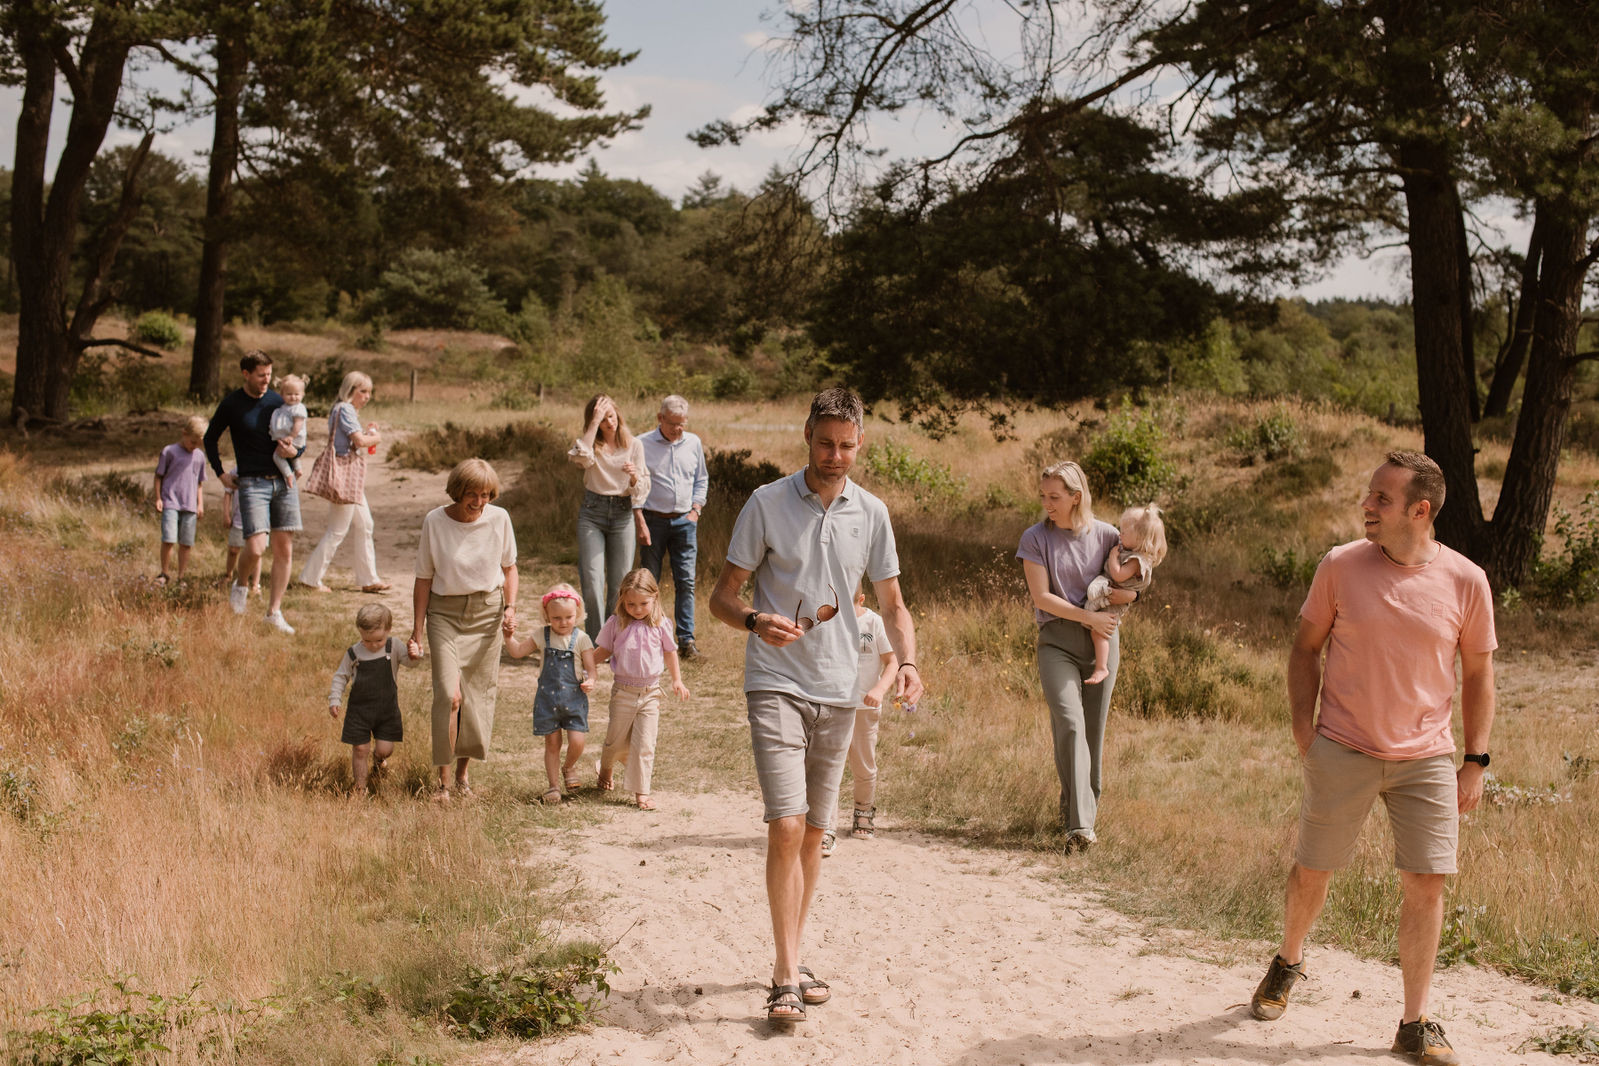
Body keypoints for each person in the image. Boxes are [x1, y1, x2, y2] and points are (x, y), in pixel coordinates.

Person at [1248, 451, 1496, 1066]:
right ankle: (1289, 959)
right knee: (1314, 870)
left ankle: (1414, 1023)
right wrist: (1305, 731)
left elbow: (1478, 673)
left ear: (1420, 510)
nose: (1367, 505)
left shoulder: (1467, 581)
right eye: (1369, 494)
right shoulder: (1340, 566)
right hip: (1343, 746)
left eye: (1382, 498)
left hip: (1428, 757)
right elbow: (1305, 648)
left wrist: (1476, 760)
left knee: (1427, 883)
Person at [709, 387, 922, 1027]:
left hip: (840, 688)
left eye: (846, 446)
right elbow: (722, 597)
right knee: (785, 823)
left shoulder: (872, 513)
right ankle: (784, 976)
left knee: (813, 834)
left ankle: (794, 959)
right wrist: (753, 620)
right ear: (807, 436)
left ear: (860, 444)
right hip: (775, 679)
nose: (835, 456)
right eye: (825, 443)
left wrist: (908, 662)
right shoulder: (765, 503)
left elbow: (893, 604)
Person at [1015, 460, 1135, 850]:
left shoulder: (1108, 536)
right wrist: (1088, 616)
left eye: (1055, 497)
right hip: (1057, 642)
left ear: (1076, 497)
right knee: (1069, 723)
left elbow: (1135, 584)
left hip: (1103, 644)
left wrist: (1122, 599)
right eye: (1043, 496)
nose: (1046, 504)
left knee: (1092, 735)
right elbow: (1041, 597)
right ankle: (1080, 828)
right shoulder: (1035, 539)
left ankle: (1077, 816)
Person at [410, 459, 519, 800]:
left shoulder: (499, 519)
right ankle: (442, 783)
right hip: (444, 614)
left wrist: (510, 607)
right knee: (449, 695)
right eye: (472, 494)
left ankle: (462, 777)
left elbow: (510, 568)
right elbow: (423, 579)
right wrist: (416, 631)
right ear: (457, 492)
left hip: (486, 615)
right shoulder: (435, 521)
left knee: (475, 698)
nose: (479, 502)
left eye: (486, 495)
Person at [204, 350, 304, 634]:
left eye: (269, 375)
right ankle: (241, 584)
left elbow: (299, 436)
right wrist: (221, 474)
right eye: (261, 375)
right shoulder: (232, 404)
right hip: (251, 483)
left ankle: (274, 612)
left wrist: (296, 452)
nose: (266, 380)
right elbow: (210, 438)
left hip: (284, 482)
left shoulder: (278, 401)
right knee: (257, 548)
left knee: (284, 549)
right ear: (245, 374)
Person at [593, 569, 690, 811]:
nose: (637, 609)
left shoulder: (661, 624)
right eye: (631, 604)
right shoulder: (616, 623)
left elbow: (670, 652)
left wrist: (677, 680)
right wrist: (585, 666)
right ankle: (605, 768)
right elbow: (603, 650)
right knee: (614, 741)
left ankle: (642, 792)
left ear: (655, 598)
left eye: (643, 604)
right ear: (622, 600)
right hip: (623, 692)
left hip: (650, 693)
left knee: (645, 744)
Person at [820, 586, 898, 858]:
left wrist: (879, 689)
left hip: (865, 707)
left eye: (848, 605)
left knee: (864, 765)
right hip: (833, 705)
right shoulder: (828, 621)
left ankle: (863, 811)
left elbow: (892, 662)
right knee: (829, 767)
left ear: (862, 599)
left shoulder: (874, 623)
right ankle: (825, 827)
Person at [504, 583, 596, 806]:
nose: (563, 622)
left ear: (577, 613)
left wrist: (591, 680)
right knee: (552, 745)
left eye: (569, 617)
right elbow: (517, 652)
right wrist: (508, 637)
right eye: (556, 618)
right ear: (547, 615)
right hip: (548, 700)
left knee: (578, 741)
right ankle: (553, 787)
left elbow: (591, 669)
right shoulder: (541, 635)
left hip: (574, 700)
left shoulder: (582, 638)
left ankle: (569, 766)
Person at [568, 394, 650, 641]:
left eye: (611, 416)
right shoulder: (590, 444)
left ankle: (613, 640)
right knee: (592, 579)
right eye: (603, 419)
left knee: (620, 583)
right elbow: (579, 459)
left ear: (618, 415)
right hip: (593, 512)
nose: (609, 423)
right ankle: (595, 642)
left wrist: (634, 476)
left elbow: (642, 488)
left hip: (622, 513)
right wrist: (593, 423)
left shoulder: (634, 445)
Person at [299, 371, 388, 593]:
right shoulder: (345, 409)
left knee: (365, 525)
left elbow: (354, 440)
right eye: (363, 391)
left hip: (350, 477)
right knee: (337, 530)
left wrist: (368, 433)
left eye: (369, 392)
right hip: (345, 475)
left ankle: (369, 579)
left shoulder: (343, 410)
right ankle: (311, 579)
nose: (367, 397)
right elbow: (359, 441)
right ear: (350, 390)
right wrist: (376, 437)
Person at [638, 395, 709, 659]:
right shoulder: (641, 444)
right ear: (660, 418)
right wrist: (639, 519)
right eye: (672, 424)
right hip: (652, 521)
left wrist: (696, 510)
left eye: (682, 424)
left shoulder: (693, 443)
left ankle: (686, 641)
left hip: (685, 522)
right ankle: (646, 635)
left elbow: (701, 479)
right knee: (648, 582)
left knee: (686, 581)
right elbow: (635, 484)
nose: (678, 429)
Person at [327, 603, 424, 795]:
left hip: (386, 711)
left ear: (388, 630)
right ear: (360, 632)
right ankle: (360, 788)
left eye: (378, 640)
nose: (372, 645)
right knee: (360, 749)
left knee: (385, 749)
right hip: (359, 711)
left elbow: (410, 663)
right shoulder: (354, 653)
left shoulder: (393, 647)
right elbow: (340, 676)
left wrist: (416, 654)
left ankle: (379, 760)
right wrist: (334, 699)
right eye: (367, 640)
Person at [1082, 503, 1167, 685]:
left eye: (1124, 533)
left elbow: (1118, 575)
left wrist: (1113, 557)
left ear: (1139, 538)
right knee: (1094, 624)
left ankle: (1101, 667)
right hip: (1112, 592)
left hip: (1115, 601)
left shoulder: (1137, 561)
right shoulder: (1131, 552)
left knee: (1099, 633)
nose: (1119, 535)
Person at [153, 415, 208, 584]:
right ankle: (164, 573)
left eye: (198, 444)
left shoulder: (199, 456)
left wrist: (200, 504)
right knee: (169, 539)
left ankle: (181, 577)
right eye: (192, 442)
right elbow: (158, 476)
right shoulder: (169, 451)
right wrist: (158, 498)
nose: (194, 446)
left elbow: (199, 483)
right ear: (184, 434)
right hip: (170, 502)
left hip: (190, 506)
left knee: (186, 543)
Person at [221, 466, 261, 596]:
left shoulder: (261, 470)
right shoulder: (235, 471)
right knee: (233, 550)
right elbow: (228, 494)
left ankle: (255, 584)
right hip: (238, 519)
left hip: (256, 520)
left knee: (256, 552)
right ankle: (228, 575)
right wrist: (226, 515)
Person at [268, 375, 309, 487]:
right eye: (289, 394)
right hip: (291, 439)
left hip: (294, 438)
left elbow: (298, 424)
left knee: (277, 456)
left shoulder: (299, 408)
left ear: (303, 394)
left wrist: (291, 436)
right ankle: (298, 469)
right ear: (282, 395)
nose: (293, 397)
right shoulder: (284, 408)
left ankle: (288, 474)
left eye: (296, 394)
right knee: (289, 454)